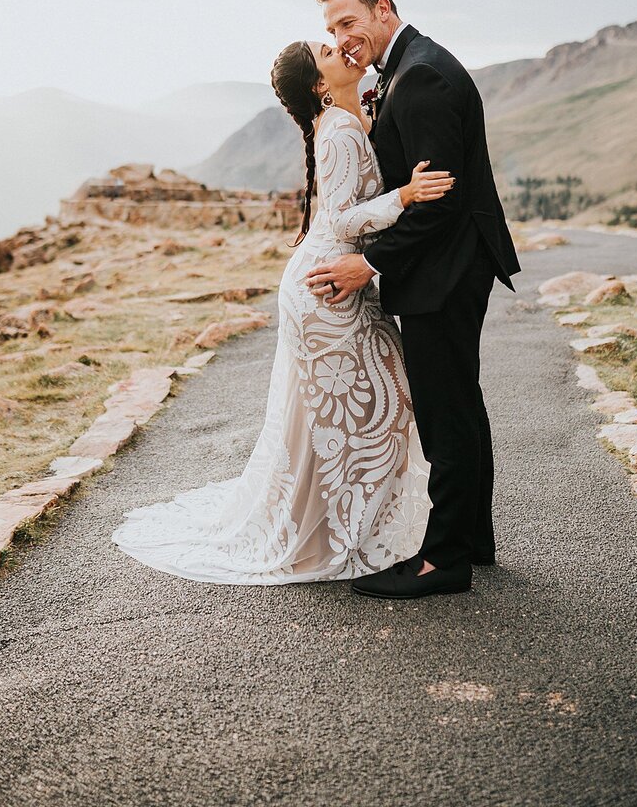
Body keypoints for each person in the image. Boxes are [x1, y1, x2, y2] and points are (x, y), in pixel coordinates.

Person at [111, 36, 454, 583]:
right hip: (327, 290)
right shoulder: (339, 130)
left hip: (334, 281)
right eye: (327, 53)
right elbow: (342, 220)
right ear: (319, 85)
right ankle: (337, 534)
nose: (339, 50)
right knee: (367, 411)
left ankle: (341, 526)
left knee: (347, 413)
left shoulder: (346, 121)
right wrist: (405, 197)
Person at [307, 0, 521, 600]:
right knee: (459, 401)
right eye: (331, 31)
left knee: (443, 409)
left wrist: (368, 265)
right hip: (449, 263)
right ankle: (471, 540)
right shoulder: (408, 67)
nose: (342, 39)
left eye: (349, 22)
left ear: (383, 9)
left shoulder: (421, 75)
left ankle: (443, 561)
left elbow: (440, 203)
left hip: (446, 268)